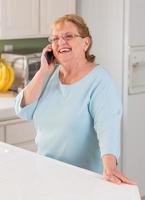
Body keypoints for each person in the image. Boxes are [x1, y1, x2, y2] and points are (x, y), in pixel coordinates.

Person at [15, 14, 135, 185]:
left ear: (85, 43)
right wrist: (43, 71)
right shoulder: (49, 75)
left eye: (68, 36)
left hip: (81, 179)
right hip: (45, 173)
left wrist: (110, 167)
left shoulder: (100, 81)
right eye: (55, 38)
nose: (60, 42)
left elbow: (107, 127)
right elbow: (23, 110)